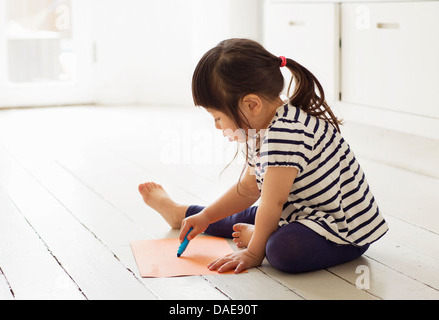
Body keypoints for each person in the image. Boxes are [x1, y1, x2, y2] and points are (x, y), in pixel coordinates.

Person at [138, 38, 388, 274]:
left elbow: (272, 203)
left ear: (251, 105)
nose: (216, 125)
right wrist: (207, 216)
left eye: (217, 117)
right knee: (238, 216)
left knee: (282, 250)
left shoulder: (284, 134)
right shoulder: (260, 127)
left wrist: (254, 251)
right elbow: (248, 189)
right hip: (300, 212)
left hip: (341, 231)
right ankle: (181, 213)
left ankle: (263, 235)